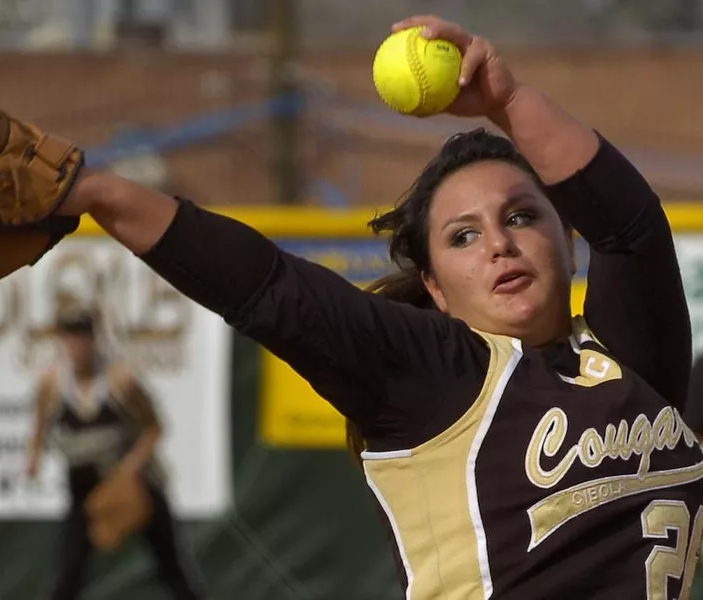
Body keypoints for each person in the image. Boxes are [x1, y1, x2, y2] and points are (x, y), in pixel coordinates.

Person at [42, 13, 703, 599]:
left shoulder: (627, 361)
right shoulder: (442, 375)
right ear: (436, 288)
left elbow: (629, 225)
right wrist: (101, 193)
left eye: (523, 216)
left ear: (566, 238)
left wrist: (509, 100)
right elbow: (269, 286)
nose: (499, 242)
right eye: (463, 236)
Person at [25, 306, 208, 600]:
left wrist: (128, 470)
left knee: (171, 566)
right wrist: (32, 457)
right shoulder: (53, 383)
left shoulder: (119, 380)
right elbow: (39, 424)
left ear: (95, 339)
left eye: (83, 337)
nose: (77, 345)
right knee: (68, 573)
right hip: (83, 485)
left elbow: (154, 427)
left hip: (131, 481)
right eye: (70, 337)